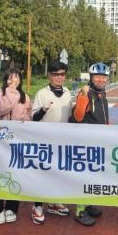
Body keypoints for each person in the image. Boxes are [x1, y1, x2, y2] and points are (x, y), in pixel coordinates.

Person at [30, 61, 72, 224]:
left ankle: (53, 202)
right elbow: (34, 118)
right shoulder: (42, 93)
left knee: (57, 173)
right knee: (42, 174)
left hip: (62, 141)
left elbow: (70, 117)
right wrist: (43, 110)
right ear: (49, 75)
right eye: (56, 74)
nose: (59, 77)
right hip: (44, 141)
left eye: (62, 74)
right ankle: (37, 206)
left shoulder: (67, 93)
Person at [70, 62, 110, 226]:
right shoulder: (86, 94)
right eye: (97, 77)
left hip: (98, 142)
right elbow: (78, 117)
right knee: (83, 176)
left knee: (93, 176)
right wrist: (83, 97)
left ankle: (87, 203)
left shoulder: (102, 94)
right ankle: (80, 210)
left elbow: (104, 118)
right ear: (91, 78)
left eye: (103, 77)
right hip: (85, 143)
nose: (101, 80)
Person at [0, 67, 31, 225]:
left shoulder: (25, 97)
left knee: (15, 173)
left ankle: (12, 208)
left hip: (16, 142)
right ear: (5, 80)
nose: (13, 81)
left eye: (16, 78)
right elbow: (1, 109)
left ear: (20, 80)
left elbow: (28, 115)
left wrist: (26, 119)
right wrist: (11, 92)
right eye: (10, 78)